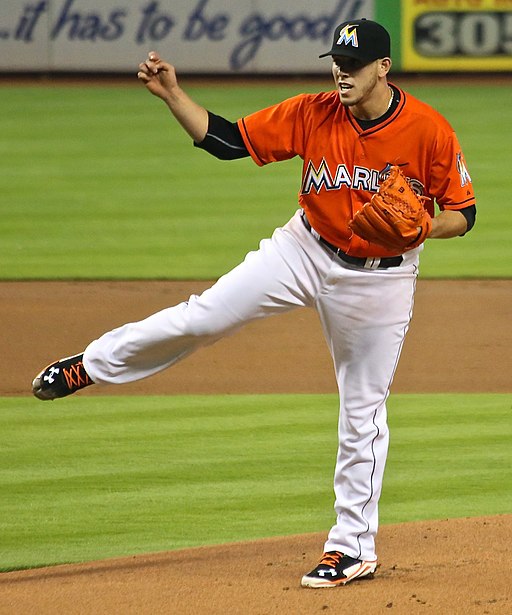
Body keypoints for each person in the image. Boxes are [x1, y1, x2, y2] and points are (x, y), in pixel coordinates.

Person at [32, 19, 476, 588]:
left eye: (356, 63)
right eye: (336, 61)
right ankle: (90, 365)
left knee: (362, 410)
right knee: (205, 314)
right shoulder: (313, 111)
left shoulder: (429, 130)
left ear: (383, 68)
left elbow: (465, 213)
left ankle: (352, 549)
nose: (342, 72)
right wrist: (173, 94)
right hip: (304, 247)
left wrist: (422, 228)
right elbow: (226, 141)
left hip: (379, 282)